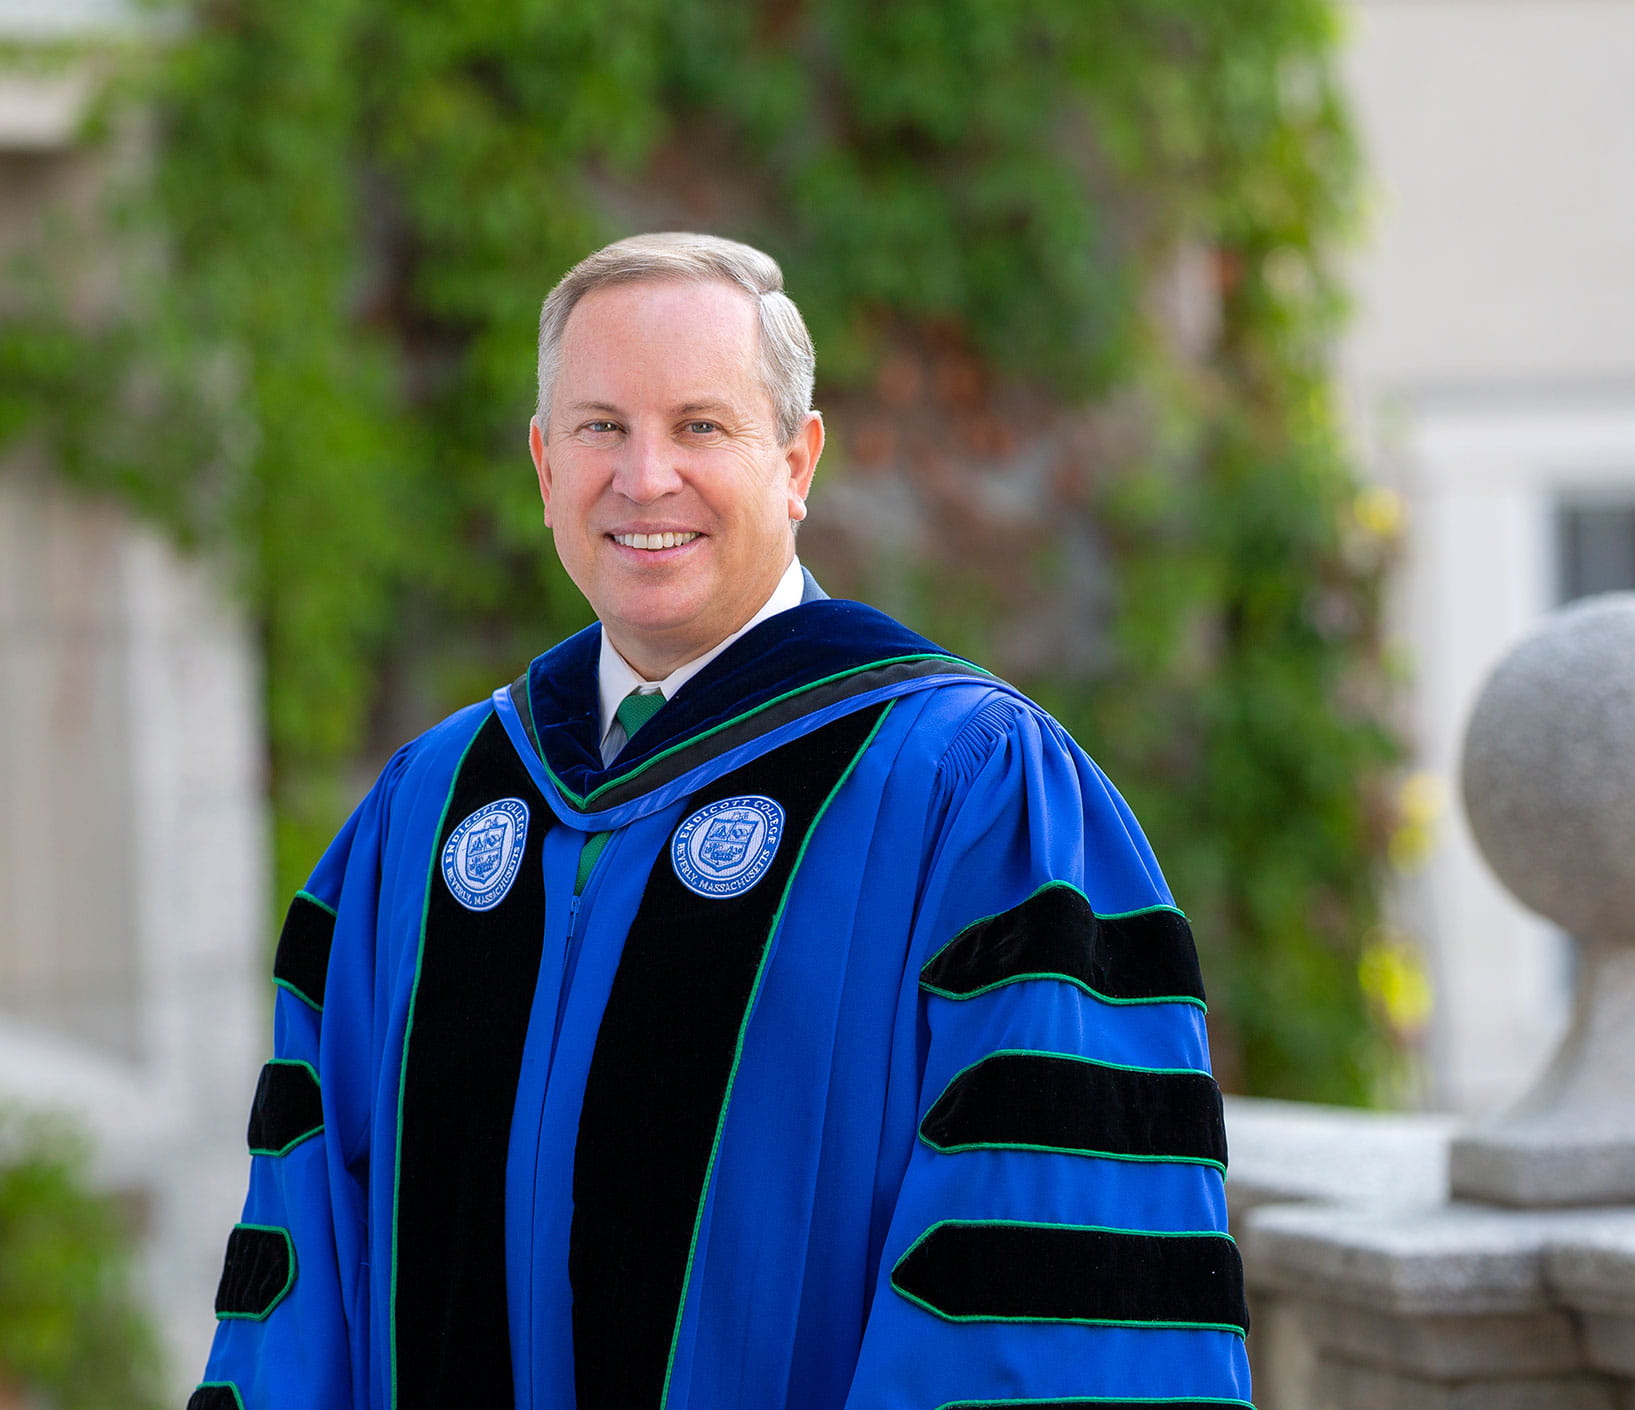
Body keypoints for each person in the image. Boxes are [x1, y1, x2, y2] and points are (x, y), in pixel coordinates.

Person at [192, 233, 1252, 1410]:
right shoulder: (425, 816)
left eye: (700, 425)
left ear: (797, 461)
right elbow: (302, 1265)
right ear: (544, 468)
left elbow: (1043, 1305)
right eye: (600, 428)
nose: (644, 478)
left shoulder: (965, 795)